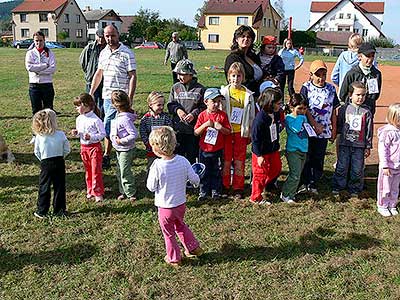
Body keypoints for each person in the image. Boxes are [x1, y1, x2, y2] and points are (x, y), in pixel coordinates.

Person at [146, 126, 203, 267]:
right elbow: (195, 179)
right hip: (180, 204)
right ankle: (193, 247)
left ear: (157, 148)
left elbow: (151, 186)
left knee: (168, 233)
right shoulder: (183, 160)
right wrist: (197, 180)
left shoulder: (157, 165)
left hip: (165, 207)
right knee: (180, 225)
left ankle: (174, 258)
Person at [89, 25, 137, 170]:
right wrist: (91, 92)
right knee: (109, 125)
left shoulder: (127, 53)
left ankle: (118, 154)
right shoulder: (103, 53)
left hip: (121, 97)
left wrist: (129, 97)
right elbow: (99, 73)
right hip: (107, 96)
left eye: (112, 35)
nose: (109, 39)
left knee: (119, 126)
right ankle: (108, 154)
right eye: (107, 36)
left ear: (118, 34)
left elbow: (132, 76)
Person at [299, 60, 339, 194]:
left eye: (324, 74)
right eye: (318, 75)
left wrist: (334, 128)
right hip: (309, 129)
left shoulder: (331, 89)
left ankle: (314, 181)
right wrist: (314, 124)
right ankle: (305, 180)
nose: (321, 78)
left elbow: (333, 110)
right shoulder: (306, 87)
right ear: (311, 75)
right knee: (307, 155)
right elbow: (305, 109)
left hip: (324, 130)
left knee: (318, 156)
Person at [220, 62, 256, 199]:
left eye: (239, 76)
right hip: (227, 132)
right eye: (233, 76)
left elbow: (251, 115)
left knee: (239, 161)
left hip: (241, 132)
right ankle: (224, 185)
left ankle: (238, 187)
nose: (236, 79)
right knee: (226, 160)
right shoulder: (224, 92)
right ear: (229, 77)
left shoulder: (248, 95)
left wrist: (250, 132)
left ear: (243, 77)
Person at [332, 82, 372, 197]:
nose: (360, 97)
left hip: (359, 146)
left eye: (363, 95)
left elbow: (369, 131)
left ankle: (354, 189)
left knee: (357, 169)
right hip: (345, 144)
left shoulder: (367, 112)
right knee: (342, 166)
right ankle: (338, 187)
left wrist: (367, 146)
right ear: (350, 95)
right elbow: (339, 127)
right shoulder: (344, 109)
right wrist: (338, 141)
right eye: (358, 95)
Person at [194, 88, 231, 201]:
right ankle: (204, 190)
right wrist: (205, 125)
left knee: (216, 170)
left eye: (219, 101)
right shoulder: (202, 116)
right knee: (204, 171)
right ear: (206, 102)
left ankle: (216, 190)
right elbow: (196, 132)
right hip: (204, 150)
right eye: (214, 101)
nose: (217, 104)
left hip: (218, 149)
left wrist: (221, 128)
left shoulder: (222, 116)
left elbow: (228, 131)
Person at [32, 109, 70, 219]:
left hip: (45, 163)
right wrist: (61, 156)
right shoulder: (61, 134)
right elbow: (67, 149)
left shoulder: (39, 136)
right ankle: (59, 210)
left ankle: (42, 210)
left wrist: (43, 160)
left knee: (44, 186)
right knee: (59, 186)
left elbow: (36, 152)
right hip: (59, 161)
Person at [167, 59, 206, 164]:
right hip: (178, 129)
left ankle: (191, 178)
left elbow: (204, 107)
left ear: (191, 74)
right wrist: (178, 110)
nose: (180, 77)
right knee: (178, 156)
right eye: (178, 74)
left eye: (183, 74)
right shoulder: (175, 88)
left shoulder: (200, 89)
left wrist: (194, 114)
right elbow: (170, 105)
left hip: (193, 130)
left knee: (191, 156)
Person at [250, 88, 283, 204]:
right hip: (261, 151)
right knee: (260, 173)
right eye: (278, 103)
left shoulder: (276, 114)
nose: (280, 106)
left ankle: (267, 185)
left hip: (272, 149)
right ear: (270, 103)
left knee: (276, 168)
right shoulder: (260, 119)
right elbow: (255, 139)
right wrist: (259, 155)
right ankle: (256, 197)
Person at [71, 93, 106, 203]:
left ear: (86, 105)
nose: (76, 108)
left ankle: (98, 192)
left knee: (96, 170)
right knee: (88, 170)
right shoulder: (79, 119)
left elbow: (102, 134)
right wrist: (76, 133)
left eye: (78, 106)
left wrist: (91, 137)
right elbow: (80, 134)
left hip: (94, 148)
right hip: (84, 148)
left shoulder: (96, 120)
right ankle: (90, 189)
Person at [339, 42, 382, 117]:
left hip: (368, 112)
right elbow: (343, 94)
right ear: (359, 57)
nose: (371, 59)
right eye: (368, 56)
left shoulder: (376, 74)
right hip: (352, 112)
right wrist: (354, 103)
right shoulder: (352, 74)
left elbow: (376, 95)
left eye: (372, 56)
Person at [281, 93, 309, 204]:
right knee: (295, 174)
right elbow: (296, 129)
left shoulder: (303, 117)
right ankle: (286, 194)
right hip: (293, 150)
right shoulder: (289, 119)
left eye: (305, 109)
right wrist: (301, 117)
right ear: (292, 107)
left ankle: (292, 192)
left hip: (303, 149)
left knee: (298, 174)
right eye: (300, 109)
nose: (302, 111)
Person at [110, 90, 138, 201]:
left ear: (114, 104)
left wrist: (121, 141)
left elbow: (134, 134)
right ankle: (123, 191)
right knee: (119, 170)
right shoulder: (118, 116)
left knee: (124, 170)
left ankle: (130, 192)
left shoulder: (125, 119)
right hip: (119, 149)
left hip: (126, 149)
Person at [139, 91, 172, 174]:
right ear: (151, 105)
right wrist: (148, 143)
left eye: (162, 105)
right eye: (158, 105)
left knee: (165, 166)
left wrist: (166, 142)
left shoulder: (166, 117)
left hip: (164, 147)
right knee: (152, 166)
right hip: (151, 147)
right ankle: (151, 183)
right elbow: (143, 132)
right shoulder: (146, 119)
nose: (161, 107)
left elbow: (170, 130)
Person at [224, 25, 262, 96]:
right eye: (243, 36)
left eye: (248, 37)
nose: (246, 39)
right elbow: (234, 80)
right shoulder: (232, 58)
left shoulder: (254, 56)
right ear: (236, 39)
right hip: (241, 95)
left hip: (257, 93)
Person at [376, 103, 400, 217]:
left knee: (395, 187)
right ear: (393, 118)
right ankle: (382, 205)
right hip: (388, 167)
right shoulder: (387, 132)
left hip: (398, 166)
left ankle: (392, 204)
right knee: (385, 187)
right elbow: (382, 149)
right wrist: (384, 165)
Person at [25, 31, 56, 117]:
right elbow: (29, 67)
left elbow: (52, 69)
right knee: (36, 111)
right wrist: (44, 65)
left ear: (44, 40)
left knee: (48, 111)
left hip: (47, 85)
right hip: (34, 86)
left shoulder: (50, 53)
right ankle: (37, 129)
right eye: (36, 41)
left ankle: (49, 129)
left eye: (41, 40)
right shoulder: (30, 53)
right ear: (33, 41)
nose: (39, 43)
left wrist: (38, 71)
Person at [79, 28, 106, 117]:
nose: (101, 39)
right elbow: (83, 62)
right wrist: (89, 72)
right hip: (91, 80)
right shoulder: (90, 47)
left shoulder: (108, 48)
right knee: (90, 100)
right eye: (99, 37)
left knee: (102, 102)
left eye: (103, 37)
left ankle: (101, 118)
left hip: (104, 80)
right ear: (96, 36)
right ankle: (91, 117)